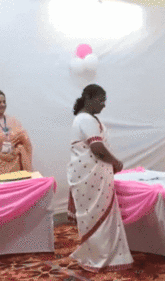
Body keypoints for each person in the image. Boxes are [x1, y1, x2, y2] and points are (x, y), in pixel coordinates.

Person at [67, 84, 133, 272]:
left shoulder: (85, 118)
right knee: (99, 217)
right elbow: (97, 149)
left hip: (92, 176)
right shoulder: (85, 119)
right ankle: (100, 256)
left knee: (97, 217)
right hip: (91, 177)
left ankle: (97, 254)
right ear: (89, 98)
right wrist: (116, 162)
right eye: (101, 100)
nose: (104, 105)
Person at [0, 91, 33, 174]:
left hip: (16, 166)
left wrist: (18, 149)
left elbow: (26, 142)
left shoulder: (13, 121)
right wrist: (3, 156)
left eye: (4, 102)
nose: (2, 104)